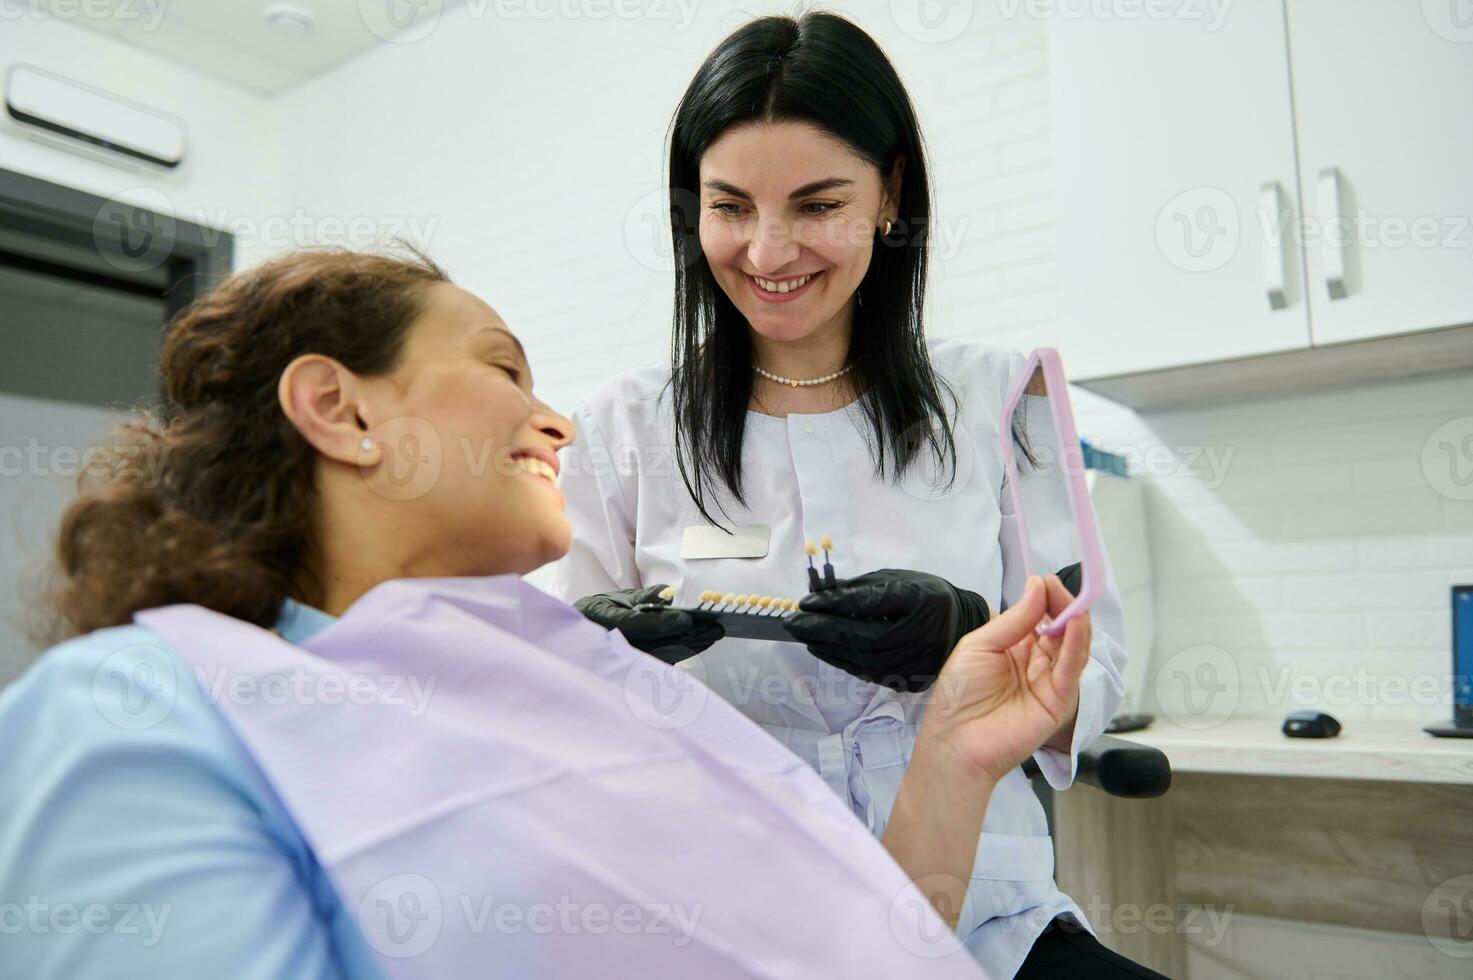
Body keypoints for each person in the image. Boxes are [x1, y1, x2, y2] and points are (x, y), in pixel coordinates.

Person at [0, 248, 1093, 978]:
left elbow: (860, 952)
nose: (558, 420)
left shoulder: (568, 680)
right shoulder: (137, 708)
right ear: (340, 408)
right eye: (503, 369)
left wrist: (952, 752)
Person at [553, 13, 1152, 978]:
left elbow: (1099, 669)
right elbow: (545, 697)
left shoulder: (1001, 400)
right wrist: (599, 651)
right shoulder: (624, 424)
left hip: (985, 922)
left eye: (817, 203)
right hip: (725, 925)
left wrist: (970, 631)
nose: (767, 248)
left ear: (889, 195)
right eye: (730, 206)